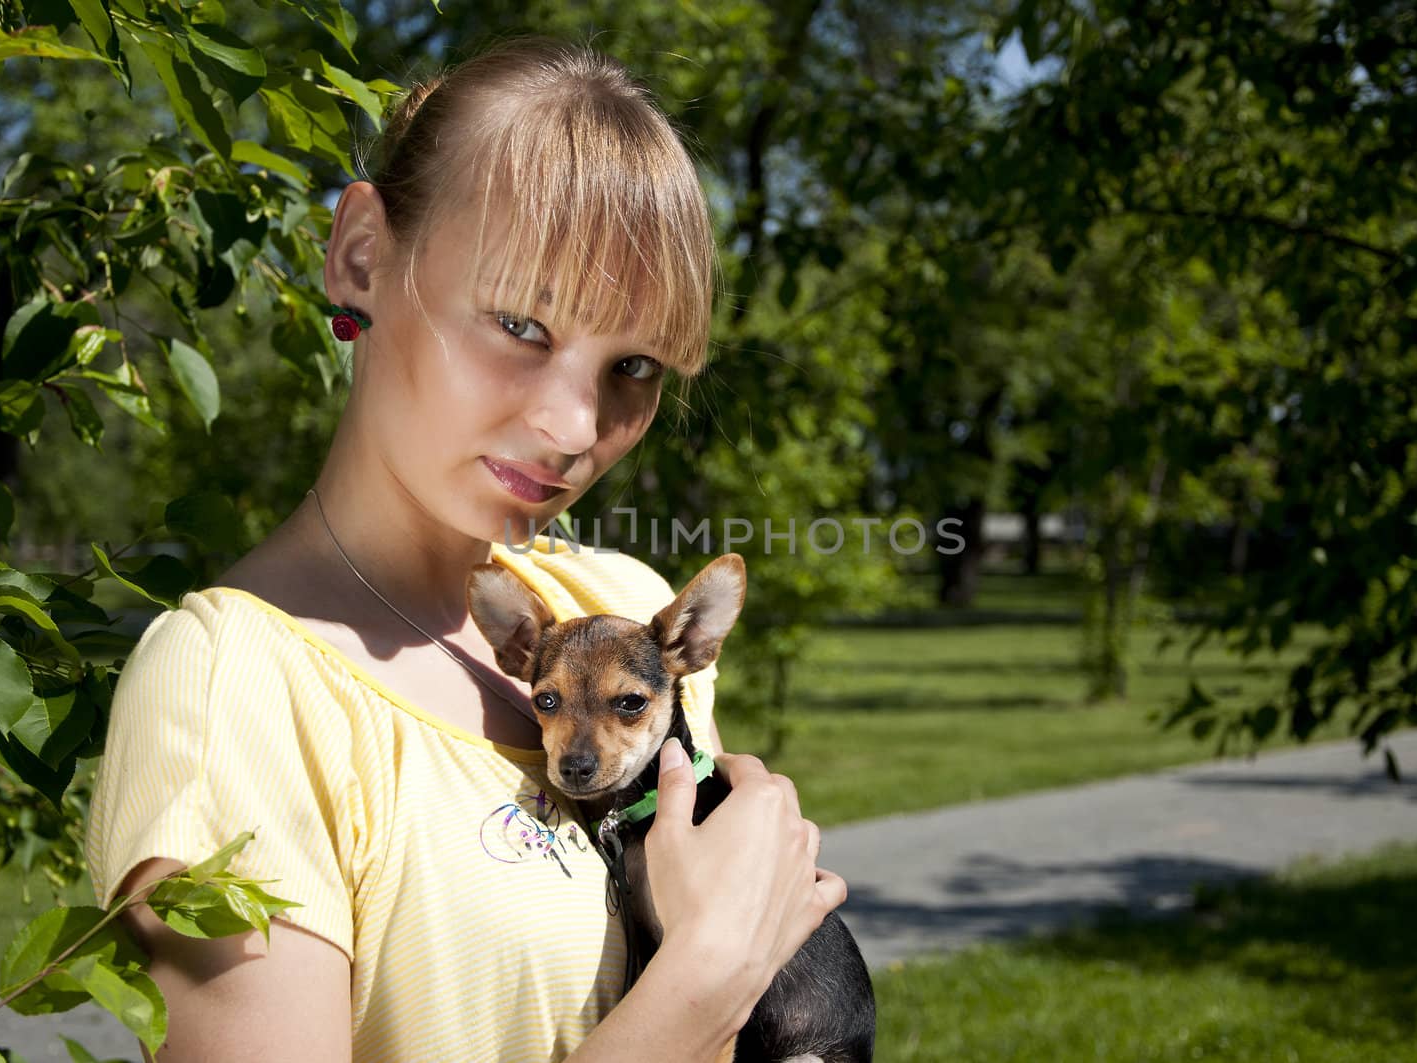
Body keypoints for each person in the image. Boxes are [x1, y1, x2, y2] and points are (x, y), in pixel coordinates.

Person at [84, 38, 847, 1062]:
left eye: (632, 364)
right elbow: (709, 977)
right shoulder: (234, 692)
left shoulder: (612, 596)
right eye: (520, 324)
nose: (575, 428)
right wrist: (709, 974)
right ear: (362, 254)